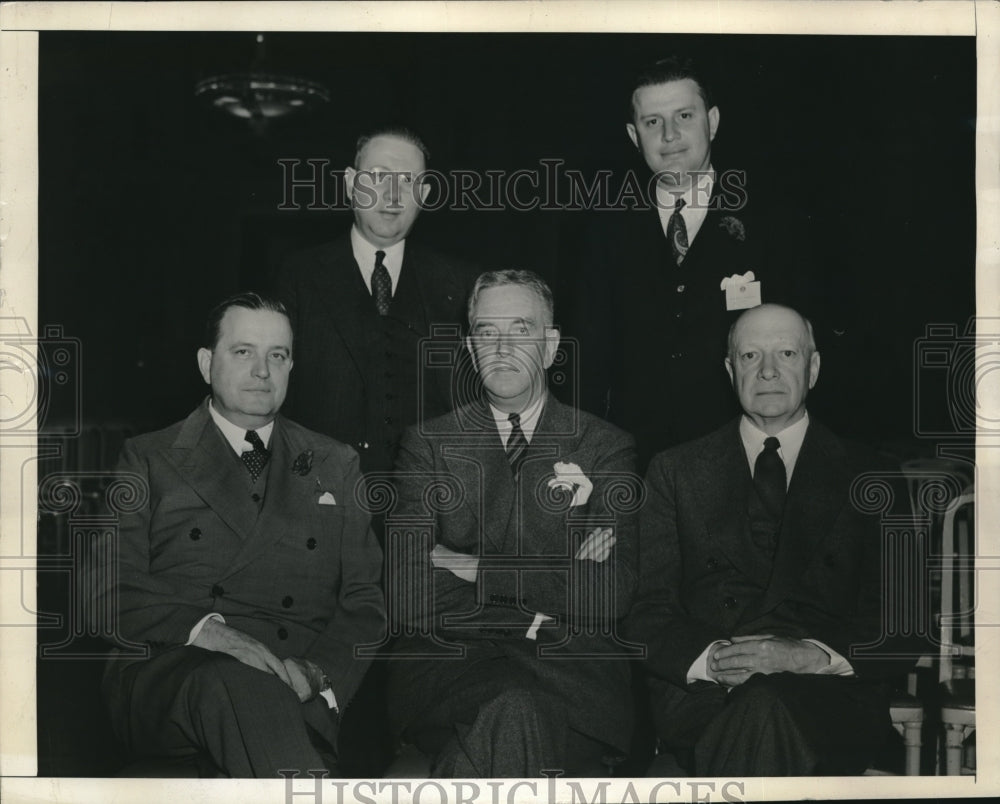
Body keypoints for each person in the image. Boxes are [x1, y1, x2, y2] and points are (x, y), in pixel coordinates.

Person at [95, 292, 386, 777]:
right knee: (237, 681)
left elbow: (365, 603)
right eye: (243, 352)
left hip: (293, 686)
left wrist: (314, 674)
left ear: (292, 366)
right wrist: (211, 633)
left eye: (278, 355)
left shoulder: (335, 463)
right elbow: (104, 589)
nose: (262, 371)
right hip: (172, 675)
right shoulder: (148, 458)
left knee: (259, 695)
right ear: (207, 363)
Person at [626, 303, 915, 776]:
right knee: (757, 709)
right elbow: (645, 611)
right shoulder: (674, 471)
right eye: (750, 357)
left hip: (828, 698)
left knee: (765, 707)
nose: (767, 371)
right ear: (729, 369)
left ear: (813, 367)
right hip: (708, 694)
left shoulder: (872, 474)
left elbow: (904, 626)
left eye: (786, 353)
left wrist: (808, 655)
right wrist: (713, 659)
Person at [385, 270, 641, 777]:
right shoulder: (427, 444)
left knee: (512, 722)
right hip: (452, 676)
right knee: (513, 712)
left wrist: (476, 566)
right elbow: (407, 589)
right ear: (469, 346)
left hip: (573, 686)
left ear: (550, 346)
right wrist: (535, 608)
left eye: (520, 329)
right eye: (485, 331)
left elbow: (607, 592)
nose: (501, 347)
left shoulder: (605, 446)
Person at [564, 55, 837, 471]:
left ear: (712, 121)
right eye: (652, 122)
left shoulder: (773, 219)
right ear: (633, 135)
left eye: (684, 116)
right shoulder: (604, 228)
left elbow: (808, 348)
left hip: (744, 464)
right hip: (638, 465)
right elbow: (589, 357)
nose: (670, 135)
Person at [276, 125, 479, 476]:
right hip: (322, 496)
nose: (392, 195)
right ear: (351, 184)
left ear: (425, 194)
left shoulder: (461, 284)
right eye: (379, 177)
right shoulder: (299, 276)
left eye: (407, 181)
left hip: (430, 503)